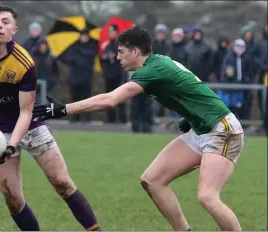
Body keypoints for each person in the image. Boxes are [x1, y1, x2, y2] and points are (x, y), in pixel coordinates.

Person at [33, 26, 244, 231]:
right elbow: (191, 87)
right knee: (152, 181)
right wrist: (191, 115)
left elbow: (110, 100)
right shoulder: (157, 64)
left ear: (135, 51)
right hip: (202, 128)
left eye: (121, 52)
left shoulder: (151, 70)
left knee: (207, 196)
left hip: (221, 129)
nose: (117, 57)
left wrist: (62, 110)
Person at [0, 6, 101, 231]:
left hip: (30, 126)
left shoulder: (24, 62)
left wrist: (12, 146)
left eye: (5, 22)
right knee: (13, 199)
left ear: (14, 29)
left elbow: (26, 112)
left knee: (62, 183)